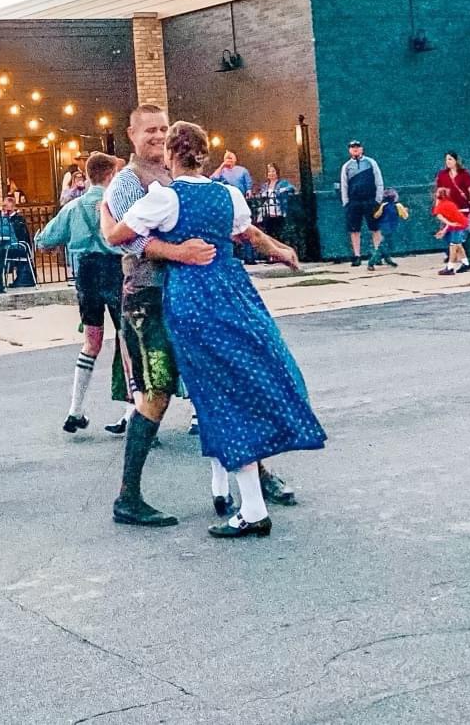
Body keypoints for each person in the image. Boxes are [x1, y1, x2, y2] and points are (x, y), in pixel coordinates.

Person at [108, 121, 322, 539]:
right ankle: (251, 495)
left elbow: (119, 236)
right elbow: (248, 233)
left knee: (217, 396)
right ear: (205, 154)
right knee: (241, 385)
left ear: (171, 154)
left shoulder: (165, 197)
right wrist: (280, 251)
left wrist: (107, 212)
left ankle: (251, 504)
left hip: (192, 301)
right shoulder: (228, 194)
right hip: (234, 294)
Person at [35, 151, 125, 434]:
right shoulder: (116, 205)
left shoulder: (73, 208)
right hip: (115, 271)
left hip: (86, 275)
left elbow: (43, 240)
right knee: (127, 340)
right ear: (110, 176)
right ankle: (132, 412)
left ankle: (75, 409)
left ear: (87, 176)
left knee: (91, 341)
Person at [338, 141, 385, 269]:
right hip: (354, 202)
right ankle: (357, 255)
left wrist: (378, 199)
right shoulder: (346, 166)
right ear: (349, 150)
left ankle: (377, 254)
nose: (355, 150)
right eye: (352, 148)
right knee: (354, 230)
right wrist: (346, 202)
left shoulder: (371, 162)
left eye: (357, 147)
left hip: (370, 200)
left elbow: (378, 180)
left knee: (375, 228)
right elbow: (344, 184)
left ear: (362, 149)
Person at [434, 152, 470, 266]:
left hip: (463, 208)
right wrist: (437, 206)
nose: (447, 162)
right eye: (446, 159)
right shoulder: (442, 174)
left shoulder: (465, 174)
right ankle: (454, 257)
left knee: (461, 234)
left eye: (450, 159)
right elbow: (439, 191)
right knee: (448, 233)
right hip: (448, 208)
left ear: (456, 161)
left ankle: (464, 258)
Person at [431, 187, 470, 275]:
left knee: (453, 247)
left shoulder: (440, 207)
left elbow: (441, 217)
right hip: (461, 224)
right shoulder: (450, 204)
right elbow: (452, 218)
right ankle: (466, 264)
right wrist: (445, 229)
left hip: (458, 226)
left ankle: (450, 268)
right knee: (458, 245)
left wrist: (450, 224)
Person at [253, 163, 296, 244]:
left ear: (277, 173)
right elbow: (260, 196)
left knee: (279, 235)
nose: (271, 173)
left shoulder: (282, 183)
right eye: (269, 172)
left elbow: (292, 188)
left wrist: (283, 190)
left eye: (273, 171)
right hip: (267, 212)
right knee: (269, 235)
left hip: (278, 212)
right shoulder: (265, 185)